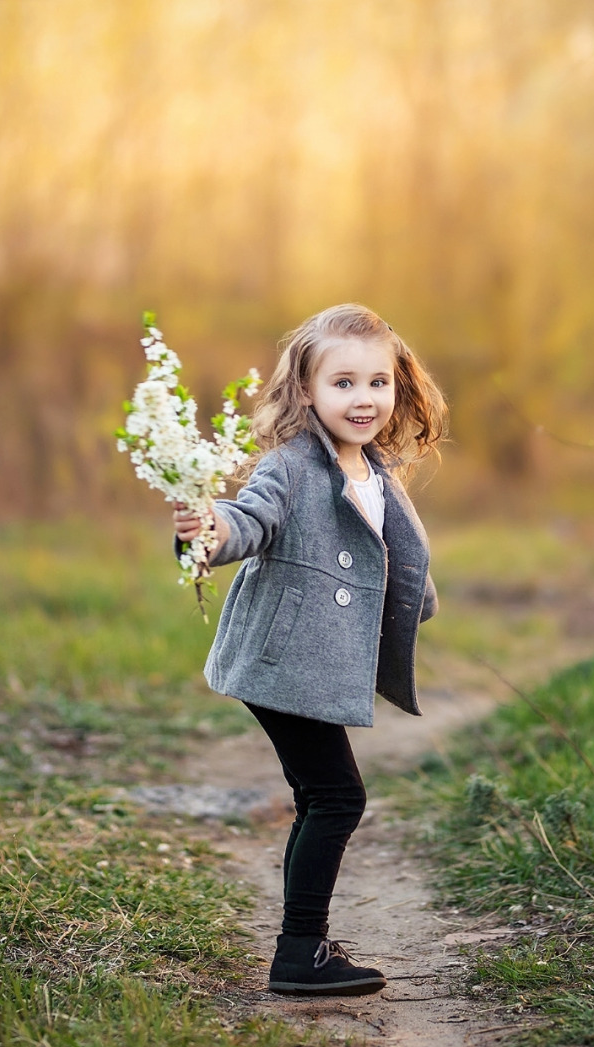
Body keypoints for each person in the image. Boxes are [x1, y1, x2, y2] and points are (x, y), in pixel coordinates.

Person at [173, 303, 447, 997]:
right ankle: (299, 952)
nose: (364, 399)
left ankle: (304, 948)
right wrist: (206, 532)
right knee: (337, 797)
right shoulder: (291, 467)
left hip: (307, 663)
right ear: (307, 392)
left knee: (321, 795)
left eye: (378, 383)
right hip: (280, 660)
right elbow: (248, 520)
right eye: (344, 383)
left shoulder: (376, 469)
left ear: (397, 386)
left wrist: (416, 598)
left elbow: (388, 550)